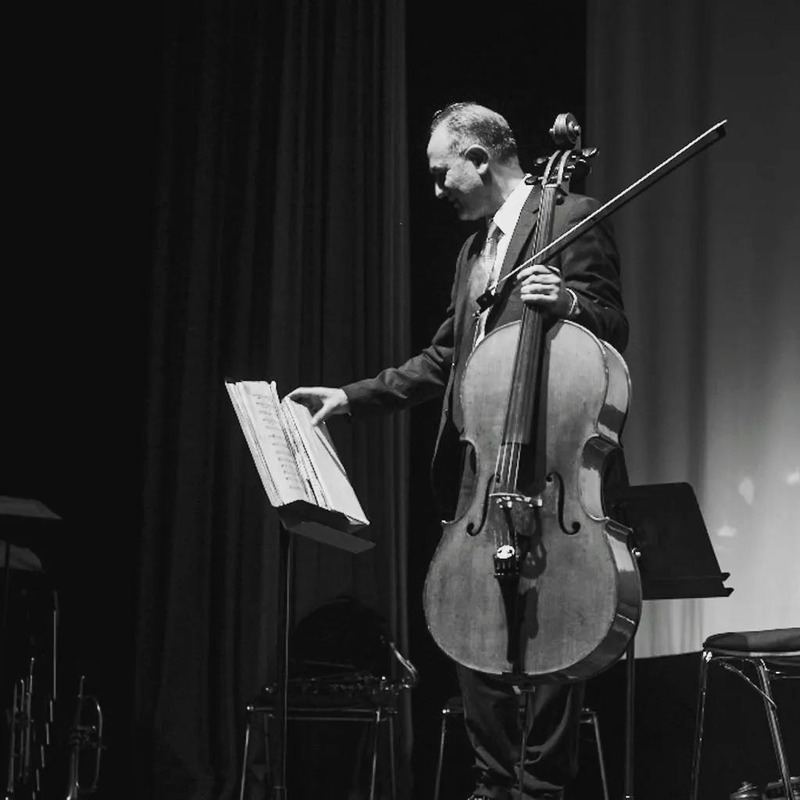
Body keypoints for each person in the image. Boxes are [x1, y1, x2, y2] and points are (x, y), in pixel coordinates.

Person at [289, 102, 628, 800]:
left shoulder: (572, 217)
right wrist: (350, 397)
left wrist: (570, 303)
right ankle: (492, 786)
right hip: (484, 479)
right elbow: (447, 358)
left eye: (443, 172)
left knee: (554, 645)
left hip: (550, 470)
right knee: (474, 640)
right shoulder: (475, 253)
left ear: (480, 158)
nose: (437, 188)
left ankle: (541, 790)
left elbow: (613, 324)